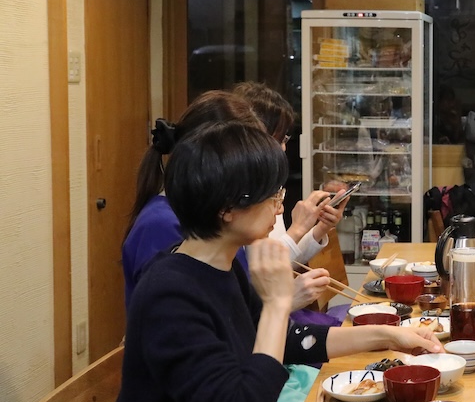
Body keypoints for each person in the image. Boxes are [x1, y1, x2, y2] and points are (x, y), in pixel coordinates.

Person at [101, 122, 442, 402]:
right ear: (227, 209)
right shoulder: (169, 296)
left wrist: (387, 336)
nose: (280, 209)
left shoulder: (220, 264)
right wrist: (277, 304)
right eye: (273, 197)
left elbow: (289, 340)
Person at [120, 91, 329, 313]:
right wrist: (281, 304)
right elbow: (208, 318)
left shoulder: (218, 224)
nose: (277, 208)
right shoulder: (161, 225)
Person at [233, 81, 347, 266]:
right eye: (278, 139)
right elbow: (258, 271)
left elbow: (282, 260)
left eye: (285, 139)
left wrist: (320, 228)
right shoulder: (239, 194)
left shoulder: (266, 183)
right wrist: (299, 227)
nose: (284, 148)